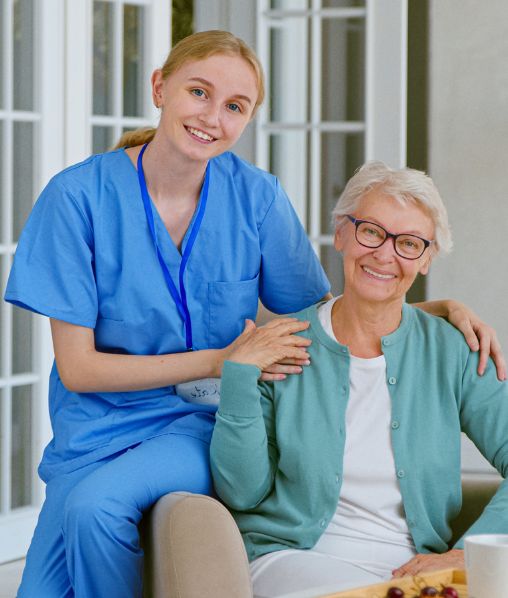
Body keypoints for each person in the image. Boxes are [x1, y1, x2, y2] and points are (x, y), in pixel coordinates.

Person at [3, 30, 503, 598]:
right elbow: (79, 371)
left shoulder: (256, 197)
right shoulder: (76, 199)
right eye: (199, 92)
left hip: (200, 423)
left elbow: (323, 313)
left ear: (248, 119)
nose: (213, 116)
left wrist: (433, 310)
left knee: (95, 510)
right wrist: (223, 360)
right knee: (42, 589)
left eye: (235, 106)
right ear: (160, 87)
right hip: (93, 427)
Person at [210, 161, 508, 598]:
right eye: (371, 231)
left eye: (408, 243)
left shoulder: (453, 352)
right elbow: (241, 492)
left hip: (417, 573)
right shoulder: (282, 344)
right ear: (342, 232)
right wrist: (238, 377)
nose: (385, 255)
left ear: (426, 259)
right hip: (295, 559)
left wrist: (462, 554)